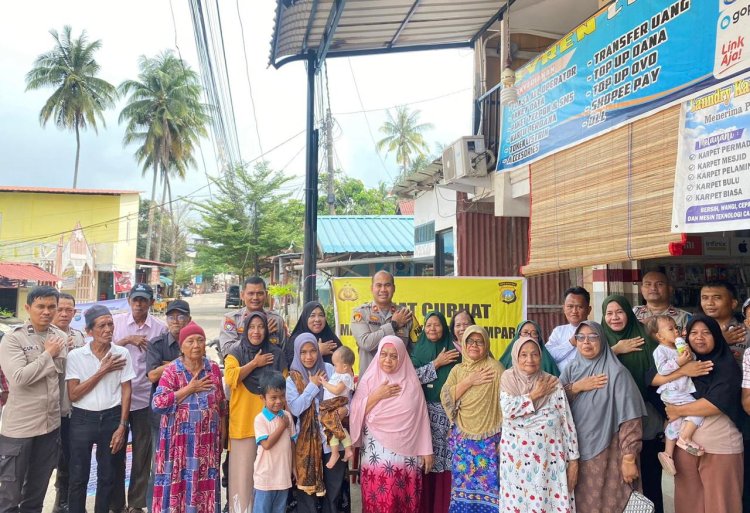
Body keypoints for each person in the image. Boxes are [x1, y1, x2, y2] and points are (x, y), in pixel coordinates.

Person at [561, 320, 646, 513]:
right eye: (580, 338)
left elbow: (631, 420)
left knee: (609, 502)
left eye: (593, 337)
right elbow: (554, 403)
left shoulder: (617, 373)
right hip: (574, 452)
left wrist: (629, 459)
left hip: (609, 452)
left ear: (603, 340)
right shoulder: (571, 369)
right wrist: (577, 387)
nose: (586, 342)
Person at [0, 286, 67, 513]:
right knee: (9, 495)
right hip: (19, 429)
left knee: (36, 494)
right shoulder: (13, 339)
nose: (46, 312)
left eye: (51, 307)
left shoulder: (61, 337)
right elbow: (18, 379)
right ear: (28, 308)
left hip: (49, 428)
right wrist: (48, 354)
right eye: (40, 306)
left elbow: (61, 381)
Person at [349, 336, 433, 513]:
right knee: (379, 497)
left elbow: (421, 418)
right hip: (376, 451)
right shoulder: (369, 379)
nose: (388, 360)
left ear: (402, 357)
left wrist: (426, 450)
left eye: (394, 356)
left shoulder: (412, 383)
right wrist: (378, 395)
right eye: (384, 354)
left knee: (402, 499)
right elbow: (356, 410)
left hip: (407, 454)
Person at [669, 315, 743, 513]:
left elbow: (717, 402)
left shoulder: (728, 367)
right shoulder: (680, 362)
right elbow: (651, 377)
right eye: (693, 333)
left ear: (717, 336)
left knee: (721, 506)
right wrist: (683, 371)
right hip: (685, 449)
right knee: (687, 505)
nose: (699, 337)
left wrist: (677, 410)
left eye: (706, 332)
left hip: (720, 449)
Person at [151, 322, 228, 513]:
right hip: (178, 444)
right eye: (190, 341)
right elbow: (158, 403)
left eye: (200, 340)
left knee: (205, 488)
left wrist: (223, 434)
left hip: (207, 442)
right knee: (178, 486)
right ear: (181, 346)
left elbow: (221, 404)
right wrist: (188, 389)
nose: (196, 345)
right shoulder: (172, 370)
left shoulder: (213, 369)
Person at [66, 304, 135, 513]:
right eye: (102, 325)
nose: (108, 330)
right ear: (89, 332)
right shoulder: (76, 356)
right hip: (82, 420)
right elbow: (74, 394)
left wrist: (122, 426)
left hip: (112, 419)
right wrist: (102, 370)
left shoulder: (121, 353)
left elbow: (126, 391)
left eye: (110, 324)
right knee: (78, 476)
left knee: (108, 476)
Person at [498, 335, 578, 513]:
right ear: (516, 357)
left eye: (534, 354)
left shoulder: (552, 382)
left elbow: (566, 422)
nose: (529, 360)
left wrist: (574, 461)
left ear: (541, 356)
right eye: (524, 355)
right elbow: (508, 410)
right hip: (516, 466)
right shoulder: (508, 379)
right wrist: (535, 394)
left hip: (550, 463)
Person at [601, 294, 663, 512]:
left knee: (649, 476)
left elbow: (662, 374)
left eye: (619, 312)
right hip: (609, 421)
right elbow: (587, 369)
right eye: (609, 313)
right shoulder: (599, 342)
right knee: (615, 482)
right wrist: (614, 350)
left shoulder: (646, 340)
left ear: (628, 312)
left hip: (646, 419)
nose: (614, 317)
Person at [111, 283, 167, 513]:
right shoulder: (116, 324)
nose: (139, 304)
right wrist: (127, 340)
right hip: (116, 399)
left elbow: (163, 361)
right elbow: (101, 349)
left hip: (145, 399)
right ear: (129, 300)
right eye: (135, 299)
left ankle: (136, 504)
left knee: (142, 455)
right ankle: (115, 504)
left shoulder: (160, 329)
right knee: (115, 453)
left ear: (151, 303)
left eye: (143, 300)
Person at [224, 311, 287, 513]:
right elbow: (231, 378)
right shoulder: (235, 352)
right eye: (251, 327)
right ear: (244, 329)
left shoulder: (276, 354)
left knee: (269, 482)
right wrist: (254, 364)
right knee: (242, 481)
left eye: (261, 327)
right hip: (243, 427)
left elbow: (283, 387)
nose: (256, 331)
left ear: (267, 330)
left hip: (272, 427)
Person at [440, 326, 504, 512]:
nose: (474, 345)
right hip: (463, 440)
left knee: (490, 488)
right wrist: (469, 381)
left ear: (486, 344)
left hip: (490, 440)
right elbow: (446, 396)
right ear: (463, 343)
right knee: (462, 489)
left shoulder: (496, 368)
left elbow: (506, 404)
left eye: (479, 341)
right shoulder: (458, 370)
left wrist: (504, 437)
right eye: (470, 341)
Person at [286, 333, 348, 513]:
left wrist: (345, 410)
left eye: (313, 351)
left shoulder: (329, 369)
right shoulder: (292, 378)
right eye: (303, 352)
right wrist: (312, 386)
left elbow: (345, 396)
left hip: (333, 440)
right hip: (306, 444)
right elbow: (296, 409)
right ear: (297, 354)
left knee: (333, 492)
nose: (308, 356)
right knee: (307, 495)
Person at [145, 299, 192, 512]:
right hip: (162, 417)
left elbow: (200, 370)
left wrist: (167, 365)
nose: (176, 321)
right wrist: (181, 360)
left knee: (185, 467)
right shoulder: (157, 343)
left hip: (188, 416)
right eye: (172, 316)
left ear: (189, 319)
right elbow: (152, 375)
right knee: (159, 467)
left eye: (181, 316)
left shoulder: (195, 341)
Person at [410, 311, 459, 513]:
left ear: (444, 328)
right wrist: (436, 364)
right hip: (423, 417)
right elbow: (410, 380)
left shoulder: (455, 352)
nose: (432, 329)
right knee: (425, 464)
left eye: (437, 325)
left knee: (446, 466)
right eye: (428, 325)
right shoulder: (416, 352)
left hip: (449, 416)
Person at [648, 315, 704, 475]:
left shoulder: (677, 348)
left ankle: (667, 453)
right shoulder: (660, 350)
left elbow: (692, 359)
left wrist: (689, 354)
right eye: (670, 329)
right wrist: (680, 362)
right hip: (673, 391)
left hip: (681, 390)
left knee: (676, 420)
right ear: (659, 336)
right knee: (696, 412)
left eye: (676, 328)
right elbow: (663, 370)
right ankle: (685, 438)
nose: (676, 331)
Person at [51, 292, 87, 513]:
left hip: (75, 409)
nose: (64, 314)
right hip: (50, 410)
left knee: (72, 457)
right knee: (51, 459)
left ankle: (65, 501)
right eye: (60, 309)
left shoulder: (80, 336)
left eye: (69, 310)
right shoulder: (47, 337)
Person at [351, 270, 414, 375]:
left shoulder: (405, 314)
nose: (383, 290)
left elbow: (414, 352)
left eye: (387, 285)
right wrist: (394, 325)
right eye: (379, 285)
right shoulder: (361, 313)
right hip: (369, 383)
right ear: (372, 288)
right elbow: (366, 343)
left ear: (394, 288)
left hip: (397, 383)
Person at [252, 372, 296, 513]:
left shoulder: (287, 416)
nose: (278, 401)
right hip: (265, 479)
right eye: (273, 397)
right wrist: (282, 426)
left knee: (280, 510)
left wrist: (293, 467)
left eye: (282, 396)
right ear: (262, 398)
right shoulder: (260, 419)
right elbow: (266, 444)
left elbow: (292, 443)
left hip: (283, 477)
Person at [219, 277, 287, 355]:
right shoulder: (231, 320)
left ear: (266, 295)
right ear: (242, 295)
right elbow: (227, 352)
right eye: (251, 293)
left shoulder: (276, 321)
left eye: (260, 293)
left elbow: (285, 353)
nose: (255, 298)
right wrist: (258, 335)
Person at [319, 345, 355, 469]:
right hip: (331, 405)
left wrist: (324, 383)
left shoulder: (345, 376)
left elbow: (336, 390)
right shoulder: (340, 373)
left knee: (331, 428)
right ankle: (348, 448)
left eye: (335, 365)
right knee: (334, 428)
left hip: (335, 404)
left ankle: (335, 453)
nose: (334, 368)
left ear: (345, 366)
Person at [699, 281, 748, 364]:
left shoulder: (744, 332)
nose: (709, 303)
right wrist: (720, 340)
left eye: (717, 298)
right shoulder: (694, 332)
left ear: (733, 303)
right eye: (705, 298)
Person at [545, 287, 592, 372]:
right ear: (564, 308)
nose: (574, 311)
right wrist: (570, 343)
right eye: (570, 306)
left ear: (589, 310)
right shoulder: (558, 331)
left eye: (579, 307)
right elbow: (547, 357)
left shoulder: (595, 331)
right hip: (559, 382)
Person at [287, 301, 341, 366]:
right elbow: (291, 365)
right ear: (305, 318)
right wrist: (317, 351)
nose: (317, 319)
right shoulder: (296, 340)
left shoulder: (331, 340)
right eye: (312, 315)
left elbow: (346, 365)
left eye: (321, 315)